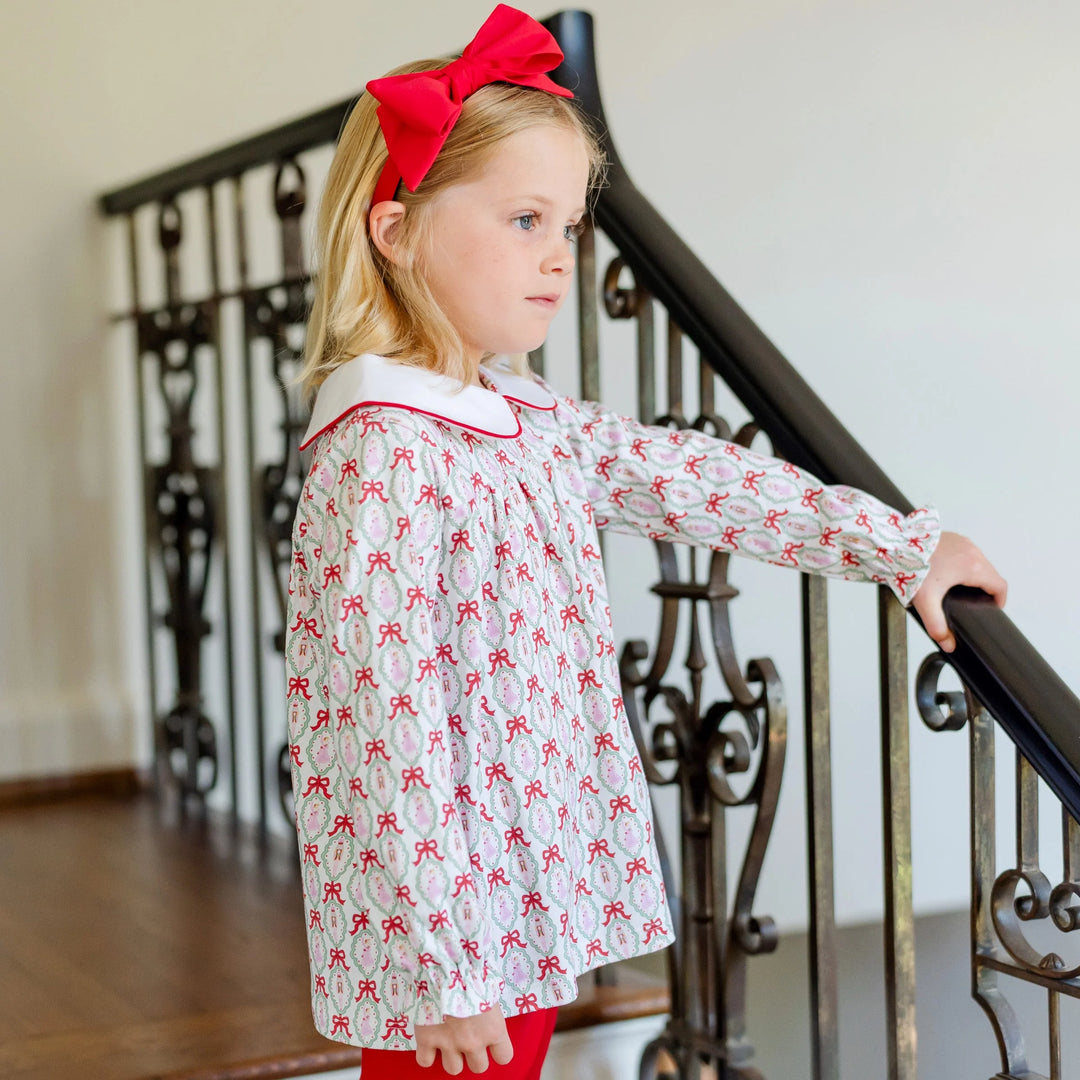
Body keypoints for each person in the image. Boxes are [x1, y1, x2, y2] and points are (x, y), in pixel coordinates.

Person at [286, 5, 1007, 1077]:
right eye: (524, 220)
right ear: (396, 231)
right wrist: (436, 964)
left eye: (569, 227)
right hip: (455, 928)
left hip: (518, 891)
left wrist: (900, 546)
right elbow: (384, 727)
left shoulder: (519, 414)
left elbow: (694, 478)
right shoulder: (384, 451)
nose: (559, 257)